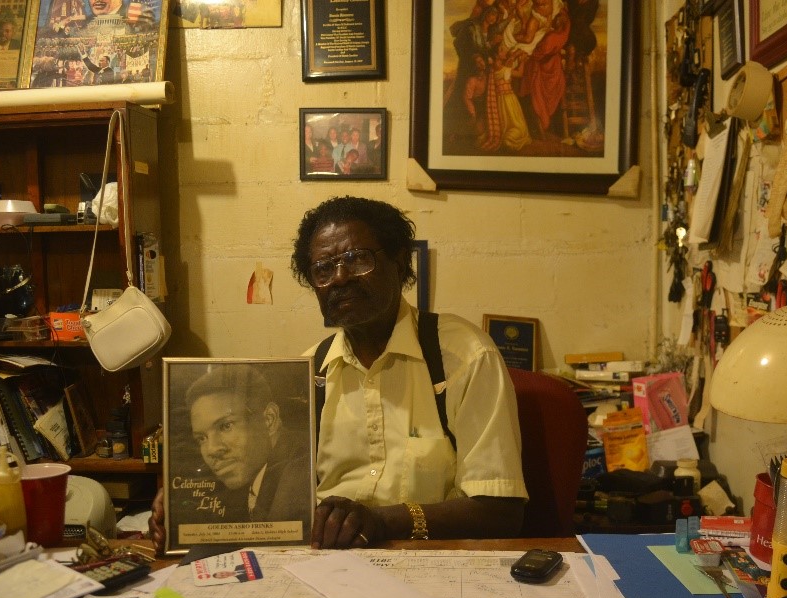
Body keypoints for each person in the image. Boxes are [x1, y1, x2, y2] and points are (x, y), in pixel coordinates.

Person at [150, 197, 527, 551]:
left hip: (438, 564)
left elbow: (501, 510)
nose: (340, 277)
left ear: (399, 262)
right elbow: (265, 482)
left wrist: (381, 521)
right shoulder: (307, 376)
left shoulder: (464, 357)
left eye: (357, 259)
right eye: (323, 269)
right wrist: (189, 502)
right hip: (328, 567)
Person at [175, 364, 312, 529]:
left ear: (269, 420)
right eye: (201, 438)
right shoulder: (252, 475)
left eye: (226, 426)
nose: (212, 449)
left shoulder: (298, 481)